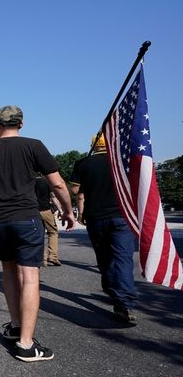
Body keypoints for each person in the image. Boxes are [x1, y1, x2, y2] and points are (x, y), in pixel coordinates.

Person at [0, 105, 74, 362]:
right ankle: (26, 344)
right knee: (29, 276)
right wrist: (69, 211)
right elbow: (58, 183)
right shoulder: (34, 145)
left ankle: (16, 325)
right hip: (25, 217)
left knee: (8, 270)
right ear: (21, 124)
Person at [70, 133, 137, 323]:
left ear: (93, 144)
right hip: (122, 215)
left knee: (104, 256)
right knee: (123, 257)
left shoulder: (83, 163)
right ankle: (124, 302)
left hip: (96, 216)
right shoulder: (122, 161)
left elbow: (75, 190)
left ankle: (111, 288)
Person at [35, 175, 63, 266]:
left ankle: (42, 258)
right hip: (46, 210)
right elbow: (54, 197)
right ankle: (52, 256)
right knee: (53, 232)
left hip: (33, 211)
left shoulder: (28, 182)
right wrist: (61, 210)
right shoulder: (46, 181)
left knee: (39, 234)